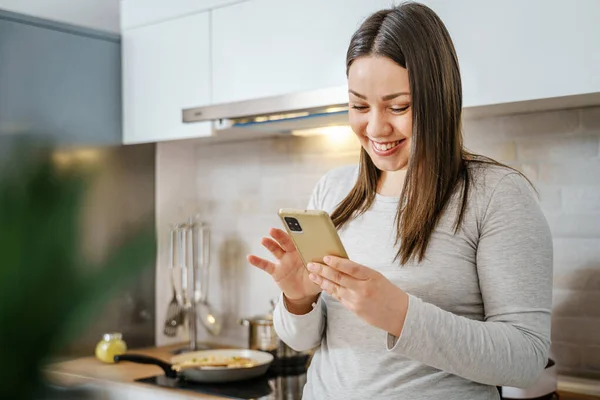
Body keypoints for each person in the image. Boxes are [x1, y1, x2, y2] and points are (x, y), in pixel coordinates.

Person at [247, 2, 553, 399]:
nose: (375, 126)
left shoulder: (497, 195)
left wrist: (400, 315)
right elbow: (306, 341)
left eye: (399, 107)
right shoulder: (334, 191)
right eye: (359, 105)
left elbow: (526, 360)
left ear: (438, 97)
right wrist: (298, 298)